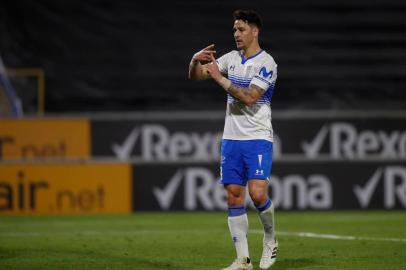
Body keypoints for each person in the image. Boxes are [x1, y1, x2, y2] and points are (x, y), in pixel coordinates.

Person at [188, 9, 278, 270]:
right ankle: (243, 260)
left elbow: (250, 97)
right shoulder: (231, 58)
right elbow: (194, 76)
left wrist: (218, 77)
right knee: (233, 196)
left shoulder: (267, 63)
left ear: (255, 31)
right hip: (232, 138)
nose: (236, 34)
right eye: (234, 29)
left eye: (241, 29)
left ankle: (271, 240)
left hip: (258, 136)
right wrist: (195, 60)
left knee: (258, 194)